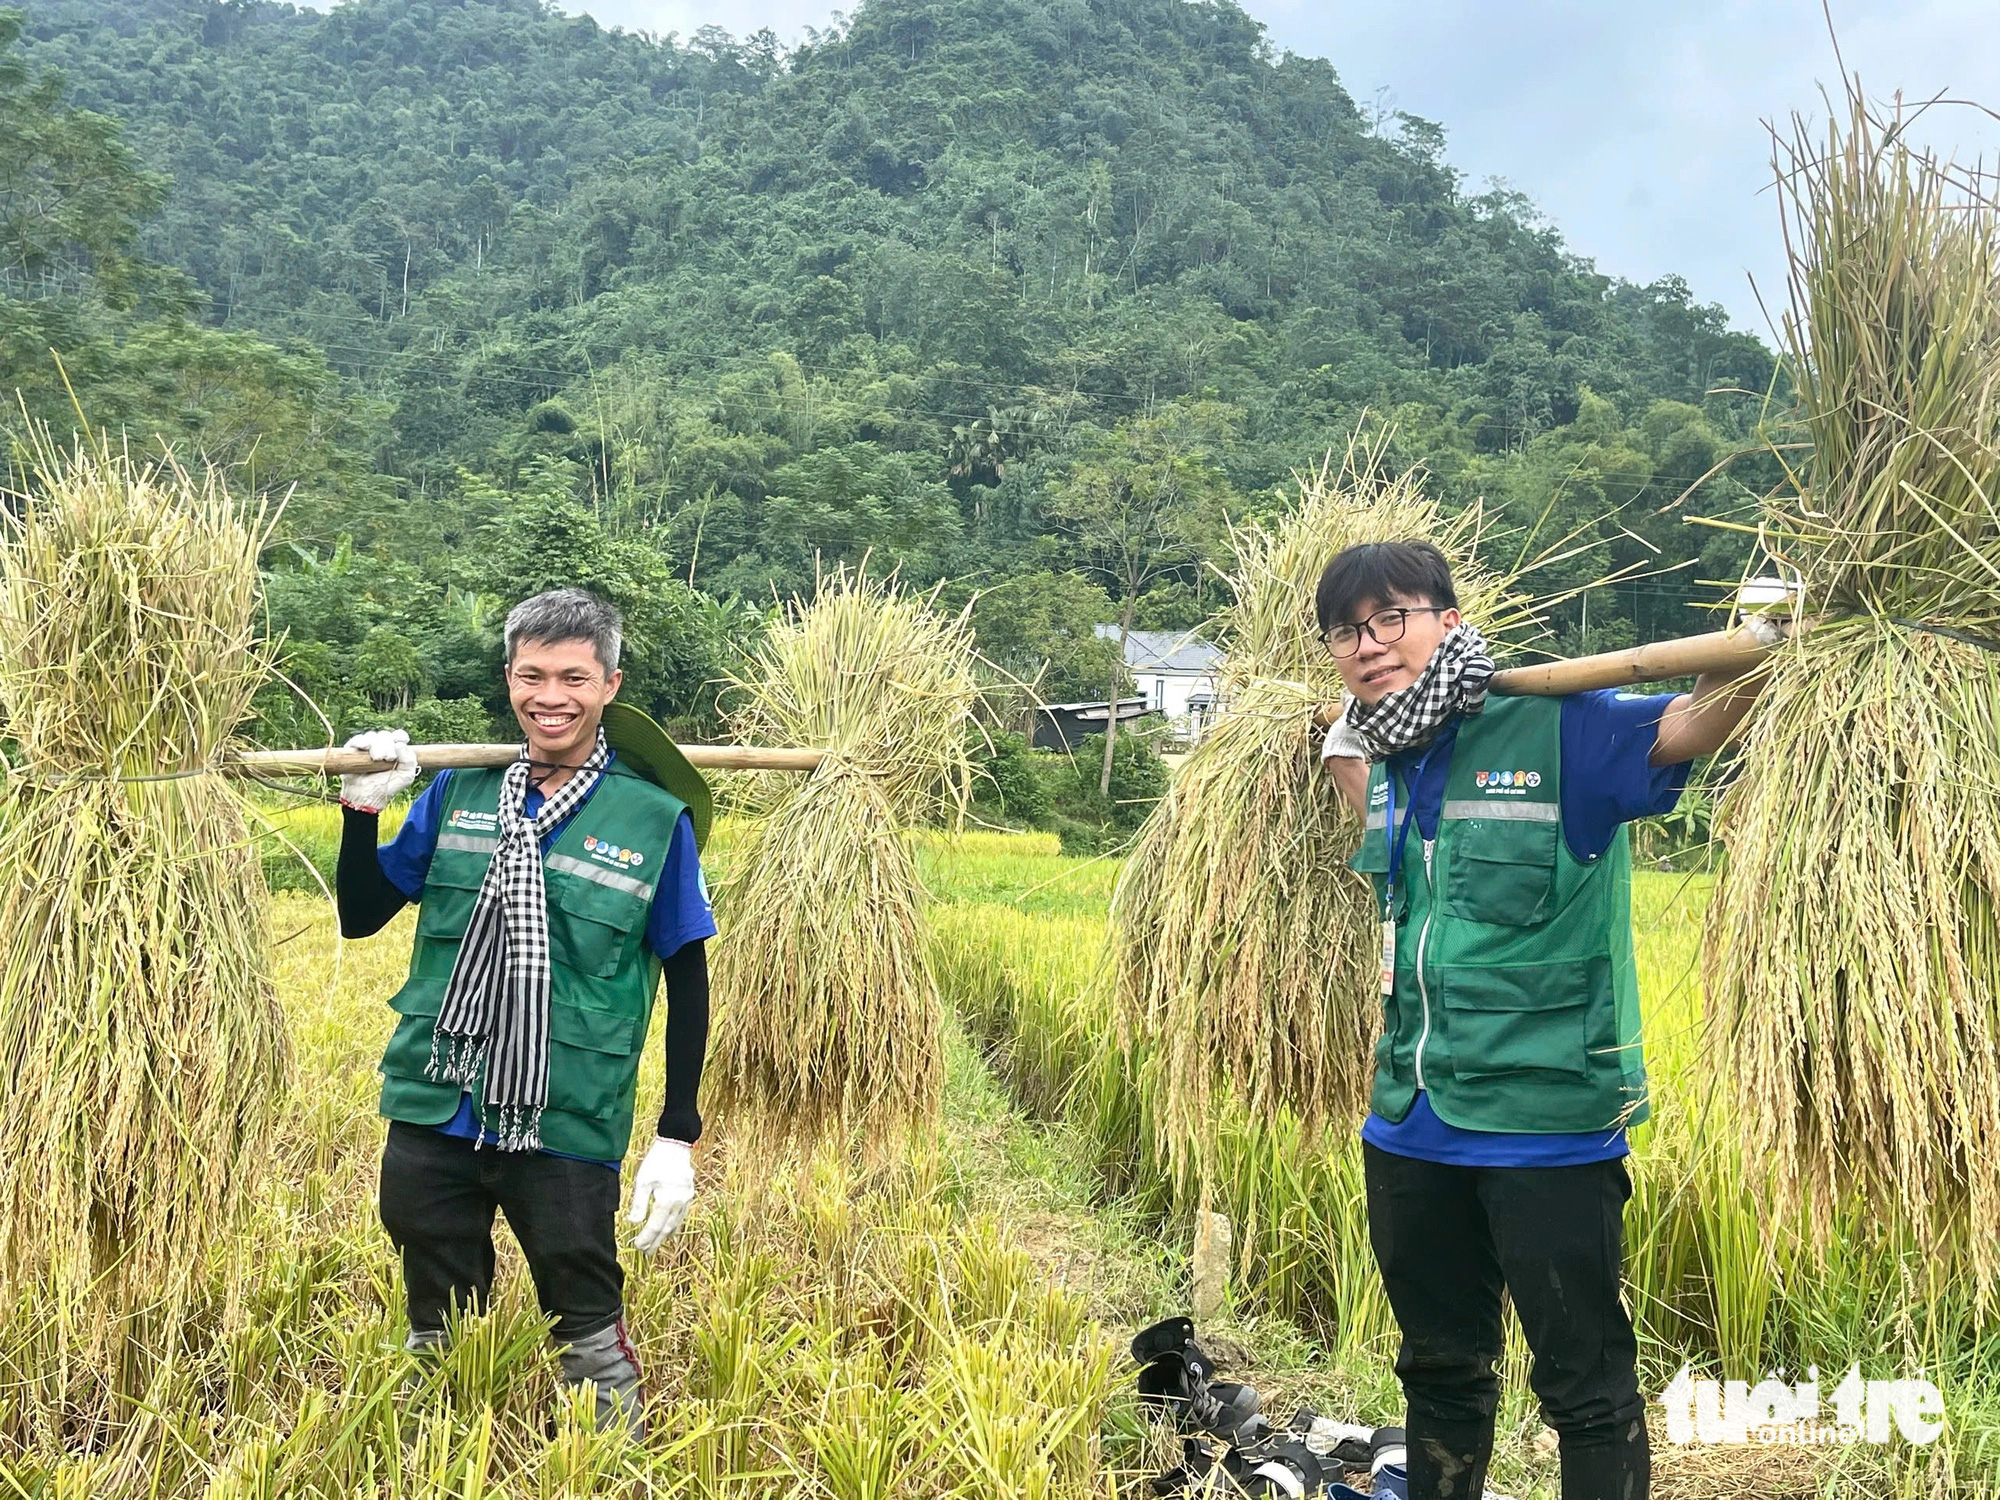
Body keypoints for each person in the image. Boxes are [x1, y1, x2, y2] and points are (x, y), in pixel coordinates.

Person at [1316, 542, 1774, 1500]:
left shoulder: (1559, 728)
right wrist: (1335, 741)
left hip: (1548, 1128)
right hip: (1409, 1121)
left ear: (1447, 618)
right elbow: (1385, 848)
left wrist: (1766, 642)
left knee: (1586, 1388)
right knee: (1438, 1368)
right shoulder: (1382, 755)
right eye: (1347, 630)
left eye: (1390, 617)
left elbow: (1699, 724)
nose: (1369, 644)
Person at [335, 588, 716, 1435]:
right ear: (509, 677)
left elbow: (688, 972)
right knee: (435, 1305)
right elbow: (362, 914)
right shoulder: (460, 790)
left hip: (565, 1103)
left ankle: (608, 1459)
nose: (553, 696)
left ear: (611, 684)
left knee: (581, 1301)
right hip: (441, 1093)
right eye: (533, 675)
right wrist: (362, 810)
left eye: (575, 677)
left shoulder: (653, 819)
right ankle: (438, 1446)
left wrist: (676, 1134)